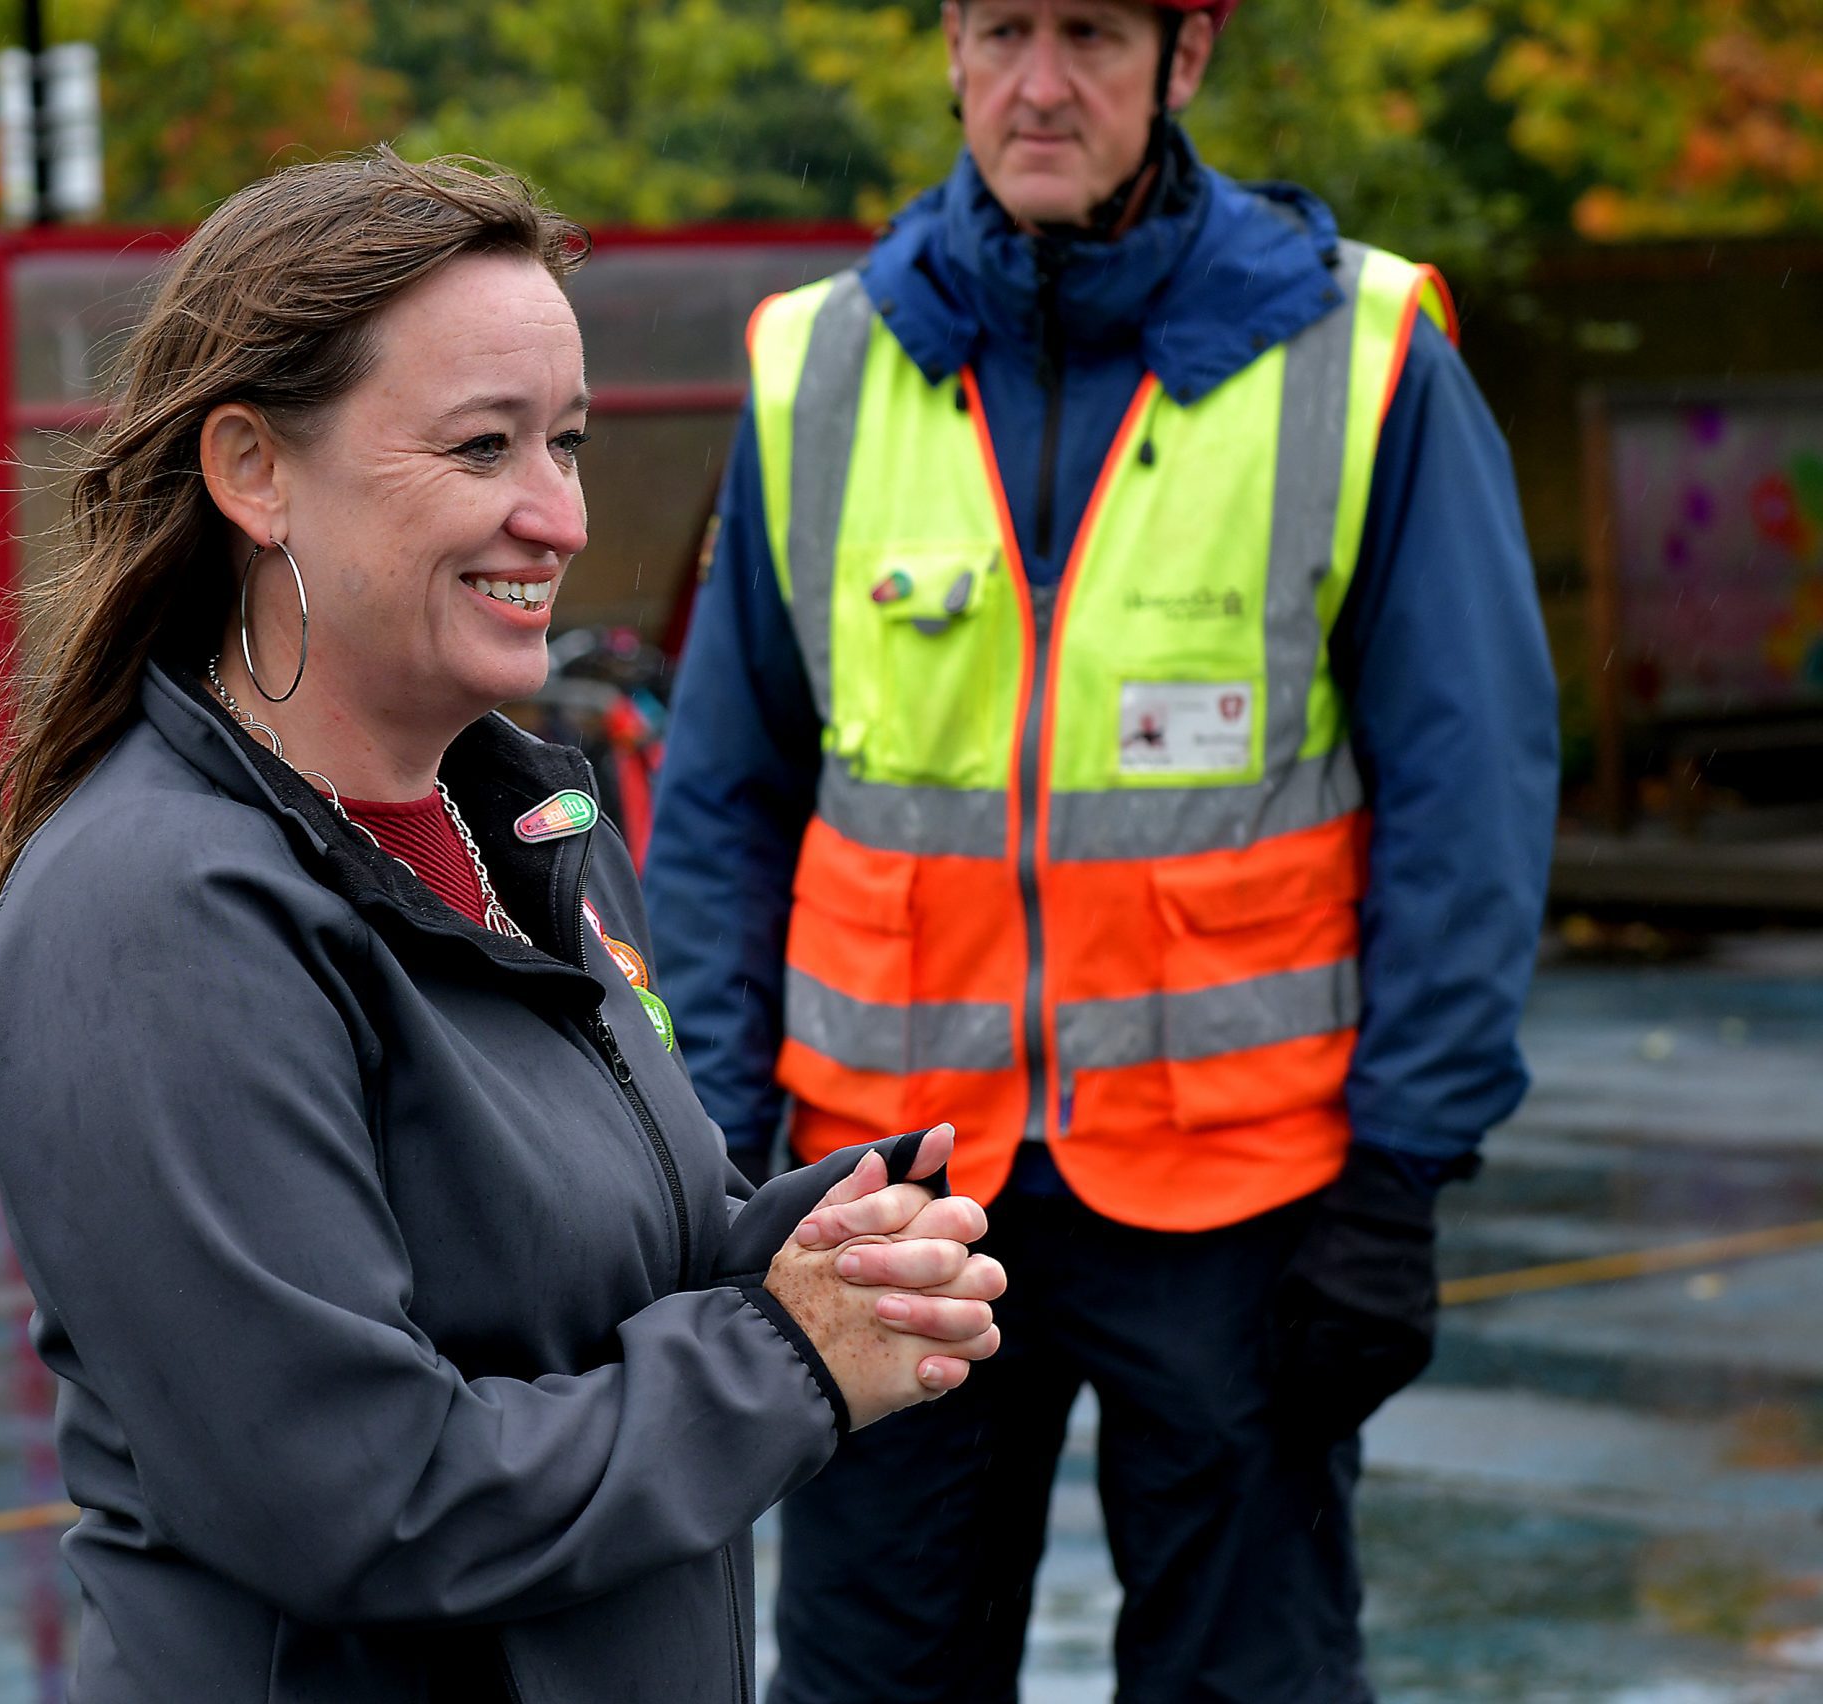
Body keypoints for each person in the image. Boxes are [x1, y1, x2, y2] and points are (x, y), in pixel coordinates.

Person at [0, 150, 1016, 1704]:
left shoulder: (526, 830)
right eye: (482, 445)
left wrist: (821, 1252)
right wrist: (786, 1363)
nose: (556, 514)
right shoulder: (157, 915)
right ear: (254, 472)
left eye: (566, 443)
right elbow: (361, 1496)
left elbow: (595, 1276)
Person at [643, 0, 1559, 1696]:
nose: (1039, 84)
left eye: (1089, 33)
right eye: (1001, 31)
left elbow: (1470, 792)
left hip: (1245, 1201)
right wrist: (715, 1152)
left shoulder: (1361, 358)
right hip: (894, 1194)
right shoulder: (819, 366)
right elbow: (724, 800)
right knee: (869, 1677)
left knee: (1248, 1678)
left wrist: (1400, 1175)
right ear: (947, 46)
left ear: (1186, 54)